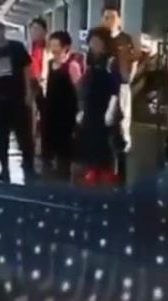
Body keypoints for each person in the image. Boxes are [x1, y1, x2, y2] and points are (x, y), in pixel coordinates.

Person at [0, 21, 37, 182]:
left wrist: (28, 92)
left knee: (24, 136)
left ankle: (29, 167)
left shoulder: (17, 48)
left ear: (3, 31)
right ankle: (4, 168)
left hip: (18, 97)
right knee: (0, 137)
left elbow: (26, 69)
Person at [100, 6, 142, 181]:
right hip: (104, 87)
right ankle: (106, 165)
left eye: (112, 17)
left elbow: (134, 60)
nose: (109, 20)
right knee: (105, 122)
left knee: (122, 121)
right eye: (106, 17)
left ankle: (122, 164)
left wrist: (128, 78)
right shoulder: (101, 39)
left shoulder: (125, 40)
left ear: (119, 20)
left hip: (121, 87)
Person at [76, 27, 121, 186]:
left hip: (105, 105)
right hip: (90, 105)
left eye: (97, 42)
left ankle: (106, 171)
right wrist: (81, 108)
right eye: (92, 42)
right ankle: (92, 169)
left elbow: (116, 87)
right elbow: (85, 84)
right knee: (90, 138)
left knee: (104, 140)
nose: (94, 45)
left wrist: (111, 109)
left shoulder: (111, 62)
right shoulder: (90, 61)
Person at [41, 31, 83, 180]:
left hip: (66, 115)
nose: (53, 48)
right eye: (51, 44)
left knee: (64, 152)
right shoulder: (50, 63)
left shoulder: (72, 66)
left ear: (65, 47)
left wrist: (79, 113)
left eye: (56, 45)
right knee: (48, 150)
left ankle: (63, 180)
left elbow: (78, 90)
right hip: (50, 113)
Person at [28, 18, 50, 159]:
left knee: (47, 119)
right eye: (32, 29)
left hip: (46, 86)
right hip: (31, 86)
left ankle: (46, 150)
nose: (35, 32)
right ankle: (33, 150)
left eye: (38, 29)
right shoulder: (27, 48)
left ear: (44, 31)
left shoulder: (49, 48)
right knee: (31, 121)